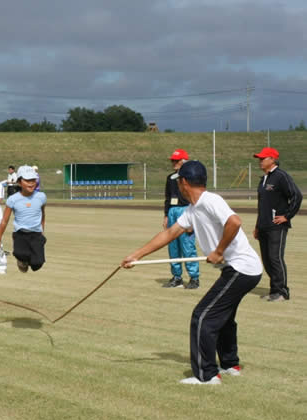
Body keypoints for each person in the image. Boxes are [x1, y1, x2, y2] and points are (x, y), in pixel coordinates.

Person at [122, 161, 263, 385]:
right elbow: (170, 233)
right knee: (223, 318)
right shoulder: (192, 210)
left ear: (184, 182)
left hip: (241, 268)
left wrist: (218, 250)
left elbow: (234, 222)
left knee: (202, 316)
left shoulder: (210, 200)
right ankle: (229, 364)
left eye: (178, 181)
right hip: (241, 269)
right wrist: (137, 255)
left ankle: (206, 376)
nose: (178, 185)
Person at [252, 147, 302, 302]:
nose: (260, 161)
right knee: (267, 260)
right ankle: (274, 290)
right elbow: (262, 205)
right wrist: (257, 226)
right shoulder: (264, 179)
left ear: (272, 159)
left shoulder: (281, 176)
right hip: (264, 226)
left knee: (275, 258)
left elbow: (296, 195)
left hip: (277, 226)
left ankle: (282, 291)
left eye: (263, 158)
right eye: (259, 158)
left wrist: (286, 216)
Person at [0, 166, 47, 272]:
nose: (31, 183)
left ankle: (32, 258)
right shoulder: (13, 199)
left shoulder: (41, 197)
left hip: (36, 234)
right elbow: (4, 221)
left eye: (33, 180)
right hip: (20, 233)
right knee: (20, 254)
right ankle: (22, 260)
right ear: (19, 182)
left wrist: (42, 232)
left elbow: (42, 214)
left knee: (37, 264)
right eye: (27, 180)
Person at [163, 149, 200, 289]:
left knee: (188, 246)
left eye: (176, 160)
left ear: (184, 161)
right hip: (173, 211)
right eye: (172, 160)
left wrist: (193, 221)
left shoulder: (191, 178)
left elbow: (195, 199)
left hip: (186, 210)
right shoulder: (170, 178)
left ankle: (194, 278)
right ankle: (176, 277)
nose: (173, 163)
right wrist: (166, 215)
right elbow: (167, 197)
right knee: (173, 246)